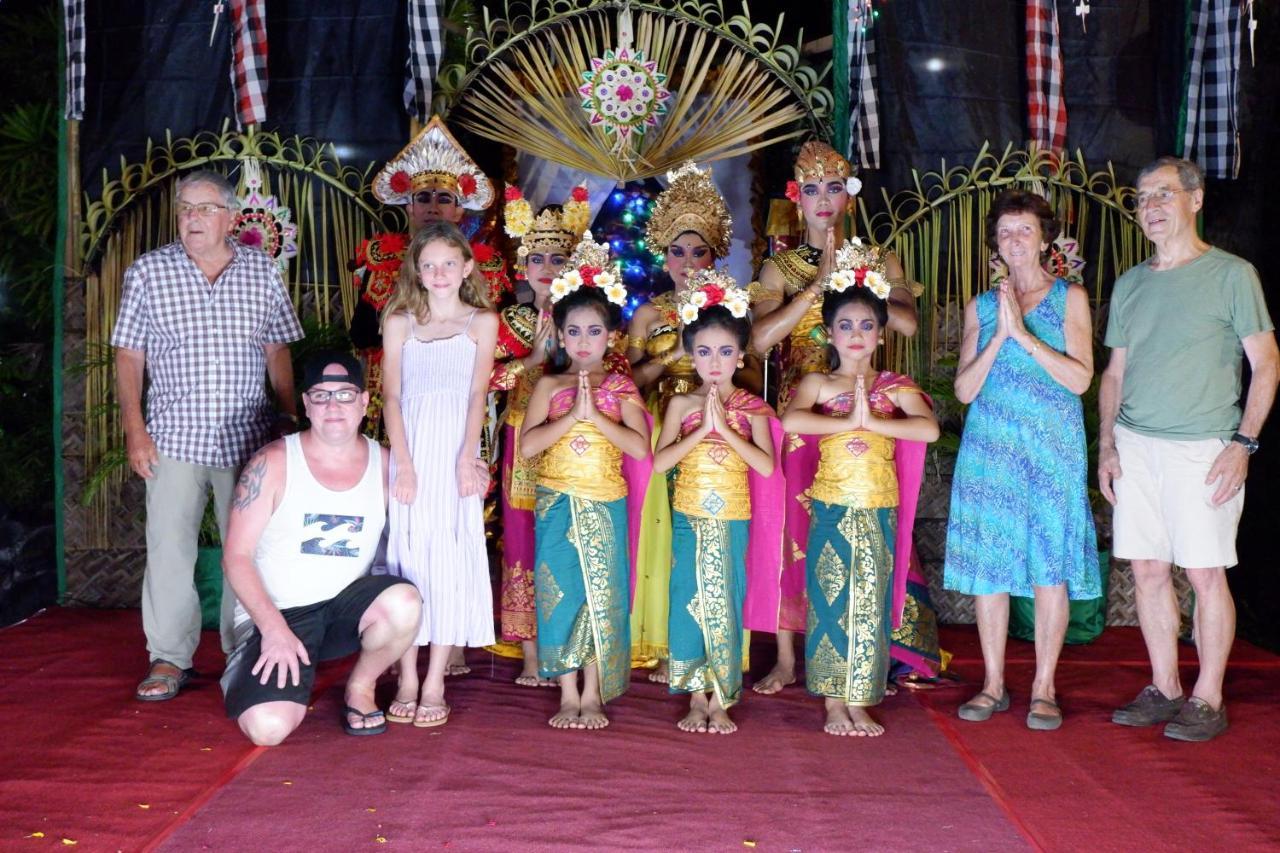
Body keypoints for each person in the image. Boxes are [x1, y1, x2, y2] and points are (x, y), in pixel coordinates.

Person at [1100, 156, 1277, 742]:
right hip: (1135, 445)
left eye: (1163, 195)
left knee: (1204, 573)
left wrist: (1243, 443)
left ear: (1195, 201)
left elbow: (1266, 363)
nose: (1150, 207)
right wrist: (1107, 446)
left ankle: (1207, 697)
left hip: (1203, 447)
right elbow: (1114, 374)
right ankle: (1166, 686)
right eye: (1142, 198)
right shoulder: (1130, 283)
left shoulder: (1232, 275)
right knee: (1148, 570)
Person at [112, 169, 304, 702]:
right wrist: (135, 430)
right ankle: (169, 658)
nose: (191, 219)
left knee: (249, 549)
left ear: (229, 217)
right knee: (169, 549)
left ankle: (245, 651)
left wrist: (287, 420)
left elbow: (278, 349)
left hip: (247, 440)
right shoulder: (149, 272)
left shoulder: (260, 272)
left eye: (203, 208)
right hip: (173, 436)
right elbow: (129, 354)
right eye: (185, 209)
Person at [749, 140, 928, 695]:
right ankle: (786, 655)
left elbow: (907, 326)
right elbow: (757, 341)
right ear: (795, 198)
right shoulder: (777, 267)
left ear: (847, 197)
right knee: (789, 530)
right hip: (801, 412)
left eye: (833, 187)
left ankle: (876, 647)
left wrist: (859, 285)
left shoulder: (878, 258)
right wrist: (814, 291)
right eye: (811, 189)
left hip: (865, 410)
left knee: (867, 519)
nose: (822, 199)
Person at [942, 190, 1099, 731]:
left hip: (1051, 452)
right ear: (996, 243)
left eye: (1024, 230)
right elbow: (963, 391)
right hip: (991, 453)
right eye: (1005, 232)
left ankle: (1044, 687)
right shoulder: (981, 308)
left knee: (1048, 567)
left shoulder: (1069, 298)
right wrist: (1000, 334)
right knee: (990, 569)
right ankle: (992, 684)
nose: (1014, 240)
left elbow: (1080, 379)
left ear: (1044, 238)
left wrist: (1025, 337)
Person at [220, 352, 421, 744]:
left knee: (404, 603)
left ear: (364, 402)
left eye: (345, 395)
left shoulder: (386, 465)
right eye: (321, 395)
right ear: (306, 404)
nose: (334, 407)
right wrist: (274, 630)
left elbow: (436, 506)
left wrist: (475, 469)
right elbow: (236, 556)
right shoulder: (274, 462)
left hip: (344, 609)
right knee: (268, 730)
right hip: (280, 616)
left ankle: (360, 687)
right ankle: (240, 666)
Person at [780, 254, 939, 736]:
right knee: (830, 600)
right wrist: (852, 421)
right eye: (845, 325)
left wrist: (877, 415)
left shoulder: (895, 387)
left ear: (881, 334)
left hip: (877, 507)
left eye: (866, 325)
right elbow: (791, 421)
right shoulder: (819, 383)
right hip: (830, 505)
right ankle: (832, 701)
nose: (855, 334)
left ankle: (859, 696)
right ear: (829, 334)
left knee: (869, 602)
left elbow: (928, 430)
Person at [521, 235, 652, 729]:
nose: (582, 341)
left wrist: (594, 417)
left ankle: (594, 692)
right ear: (559, 333)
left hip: (604, 500)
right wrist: (571, 416)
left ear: (611, 338)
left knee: (602, 593)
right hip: (555, 500)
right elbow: (530, 445)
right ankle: (567, 690)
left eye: (593, 332)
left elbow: (641, 449)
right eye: (573, 330)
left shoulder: (620, 387)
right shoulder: (550, 385)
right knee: (561, 593)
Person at [380, 222, 499, 728]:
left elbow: (478, 394)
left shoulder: (481, 322)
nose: (438, 273)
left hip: (454, 452)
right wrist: (402, 464)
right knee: (408, 558)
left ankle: (434, 681)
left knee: (449, 560)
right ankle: (406, 674)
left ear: (467, 268)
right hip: (411, 453)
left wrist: (465, 457)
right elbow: (391, 396)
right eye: (428, 265)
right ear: (417, 272)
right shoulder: (400, 321)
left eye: (449, 263)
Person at [652, 271, 780, 734]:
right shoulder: (680, 406)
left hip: (731, 517)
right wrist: (701, 430)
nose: (714, 361)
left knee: (725, 600)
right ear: (690, 355)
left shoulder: (752, 408)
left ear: (740, 356)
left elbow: (766, 467)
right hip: (689, 515)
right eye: (703, 351)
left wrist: (724, 430)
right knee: (687, 598)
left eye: (725, 352)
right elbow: (660, 462)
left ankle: (722, 698)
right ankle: (694, 695)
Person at [626, 160, 734, 682]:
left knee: (707, 530)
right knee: (662, 534)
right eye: (678, 250)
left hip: (717, 426)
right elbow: (628, 379)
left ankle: (705, 642)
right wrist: (672, 358)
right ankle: (661, 642)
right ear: (663, 254)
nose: (688, 261)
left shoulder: (731, 308)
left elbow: (747, 370)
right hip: (660, 423)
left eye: (700, 251)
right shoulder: (648, 314)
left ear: (716, 255)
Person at [349, 115, 510, 442]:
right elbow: (362, 333)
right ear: (409, 206)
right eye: (423, 197)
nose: (432, 206)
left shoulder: (486, 264)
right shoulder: (383, 257)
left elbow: (503, 344)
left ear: (460, 210)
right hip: (396, 385)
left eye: (444, 198)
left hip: (462, 388)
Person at [490, 184, 593, 686]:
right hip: (522, 437)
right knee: (524, 541)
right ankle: (531, 656)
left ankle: (568, 651)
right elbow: (485, 378)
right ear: (522, 267)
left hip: (575, 439)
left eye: (559, 257)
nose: (548, 266)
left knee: (567, 540)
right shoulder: (510, 321)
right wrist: (529, 361)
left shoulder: (583, 322)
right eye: (538, 257)